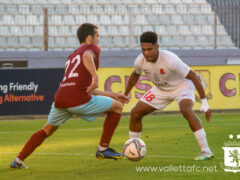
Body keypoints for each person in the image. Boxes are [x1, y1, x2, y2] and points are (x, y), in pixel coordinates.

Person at [10, 23, 129, 169]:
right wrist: (95, 76)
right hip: (77, 100)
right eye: (98, 36)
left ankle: (18, 160)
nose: (99, 40)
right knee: (117, 107)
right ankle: (103, 149)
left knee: (46, 130)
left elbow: (84, 88)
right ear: (90, 37)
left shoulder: (71, 55)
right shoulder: (91, 48)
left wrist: (112, 94)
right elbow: (87, 56)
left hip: (61, 99)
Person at [124, 31, 214, 160]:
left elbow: (193, 76)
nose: (146, 53)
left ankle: (206, 151)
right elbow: (135, 74)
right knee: (135, 113)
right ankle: (132, 149)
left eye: (149, 49)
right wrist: (126, 94)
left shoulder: (170, 60)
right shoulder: (140, 61)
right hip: (161, 89)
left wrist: (204, 102)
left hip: (181, 86)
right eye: (143, 49)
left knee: (186, 110)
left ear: (157, 47)